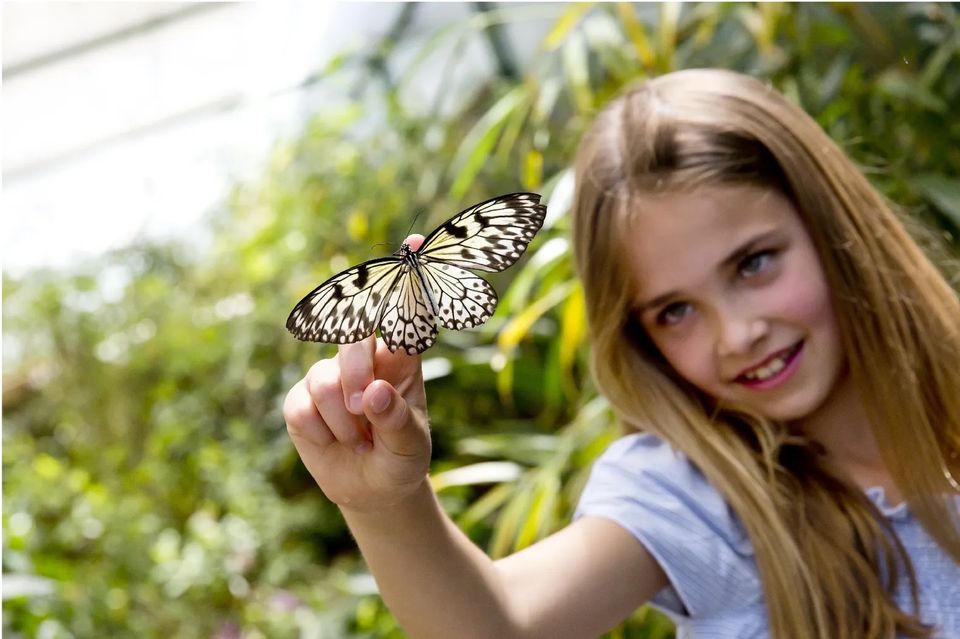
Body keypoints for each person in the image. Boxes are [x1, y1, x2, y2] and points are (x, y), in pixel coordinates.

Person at [282, 69, 960, 638]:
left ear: (831, 224)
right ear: (640, 336)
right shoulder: (691, 495)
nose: (737, 333)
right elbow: (501, 623)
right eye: (675, 310)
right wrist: (386, 505)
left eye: (754, 263)